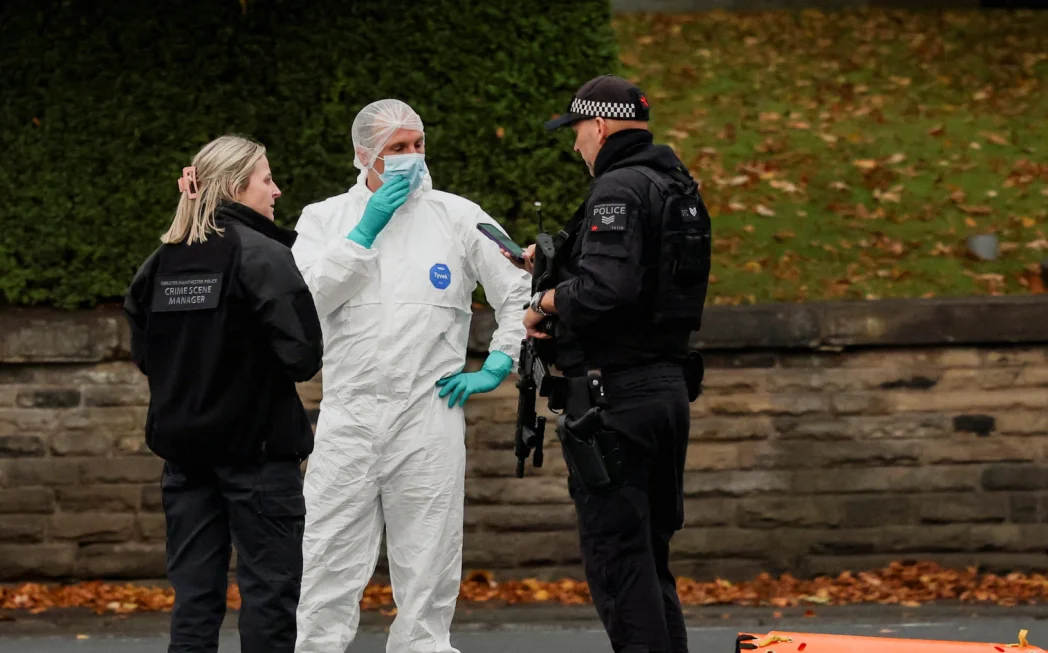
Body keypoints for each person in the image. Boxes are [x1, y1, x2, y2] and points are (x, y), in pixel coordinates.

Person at [290, 99, 530, 653]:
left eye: (418, 145)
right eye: (397, 149)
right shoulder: (324, 219)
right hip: (349, 416)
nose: (412, 158)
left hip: (429, 415)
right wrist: (363, 233)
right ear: (364, 155)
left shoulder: (458, 216)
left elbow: (518, 288)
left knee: (429, 569)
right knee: (327, 564)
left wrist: (499, 360)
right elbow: (305, 300)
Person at [512, 74, 712, 653]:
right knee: (648, 562)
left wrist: (542, 304)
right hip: (664, 391)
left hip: (615, 401)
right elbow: (641, 283)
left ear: (598, 125)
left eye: (576, 131)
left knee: (620, 568)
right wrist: (557, 263)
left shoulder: (618, 189)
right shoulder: (677, 186)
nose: (576, 145)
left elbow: (605, 292)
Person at [123, 134, 324, 653]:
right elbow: (302, 356)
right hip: (257, 456)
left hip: (185, 460)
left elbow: (147, 352)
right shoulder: (263, 256)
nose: (275, 190)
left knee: (194, 600)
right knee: (269, 598)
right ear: (237, 187)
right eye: (266, 179)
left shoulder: (160, 262)